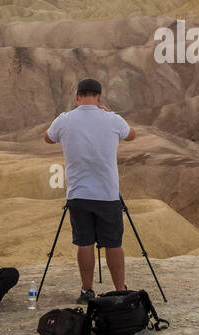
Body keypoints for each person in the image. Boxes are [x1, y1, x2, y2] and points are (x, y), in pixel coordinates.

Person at [43, 77, 135, 303]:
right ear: (99, 97)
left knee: (84, 242)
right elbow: (131, 135)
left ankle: (86, 291)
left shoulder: (65, 120)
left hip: (78, 194)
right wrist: (108, 113)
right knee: (113, 243)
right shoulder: (112, 119)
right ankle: (120, 291)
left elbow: (47, 138)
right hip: (108, 194)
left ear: (77, 97)